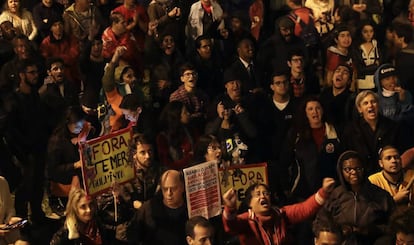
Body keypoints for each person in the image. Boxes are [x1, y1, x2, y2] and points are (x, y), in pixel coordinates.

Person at [221, 177, 335, 245]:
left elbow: (304, 209)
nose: (263, 197)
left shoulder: (281, 214)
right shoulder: (246, 220)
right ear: (249, 203)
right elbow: (230, 226)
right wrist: (230, 208)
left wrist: (324, 192)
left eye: (266, 193)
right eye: (258, 194)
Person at [314, 150, 395, 244]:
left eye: (358, 168)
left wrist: (370, 230)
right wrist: (338, 229)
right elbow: (320, 221)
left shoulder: (380, 195)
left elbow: (394, 225)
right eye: (348, 169)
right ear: (341, 171)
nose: (354, 172)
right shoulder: (335, 195)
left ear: (364, 169)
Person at [281, 96, 342, 201]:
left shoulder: (335, 132)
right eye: (310, 109)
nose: (315, 112)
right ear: (305, 113)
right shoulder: (296, 134)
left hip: (332, 191)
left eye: (318, 108)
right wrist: (286, 186)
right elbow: (285, 161)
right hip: (303, 192)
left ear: (323, 110)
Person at [342, 90, 407, 175]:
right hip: (362, 177)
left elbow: (403, 152)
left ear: (378, 105)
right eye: (365, 103)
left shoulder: (392, 126)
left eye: (373, 102)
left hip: (389, 175)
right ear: (359, 109)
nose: (370, 105)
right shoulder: (351, 130)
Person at [46, 106, 89, 215]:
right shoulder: (57, 142)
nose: (80, 128)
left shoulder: (83, 131)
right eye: (77, 125)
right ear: (67, 123)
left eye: (82, 124)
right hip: (65, 180)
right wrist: (75, 165)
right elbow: (52, 170)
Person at [127, 169, 188, 245]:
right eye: (165, 189)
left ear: (182, 187)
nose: (169, 193)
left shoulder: (191, 208)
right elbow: (133, 236)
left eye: (173, 188)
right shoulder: (149, 209)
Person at [156, 101, 198, 170]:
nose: (188, 113)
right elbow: (167, 165)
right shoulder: (162, 138)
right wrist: (189, 157)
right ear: (176, 116)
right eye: (185, 112)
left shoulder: (190, 129)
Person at [169, 63, 209, 130]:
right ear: (182, 78)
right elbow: (176, 118)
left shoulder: (202, 94)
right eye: (188, 74)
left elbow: (207, 113)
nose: (192, 77)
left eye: (194, 74)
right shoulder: (176, 96)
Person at [319, 63, 353, 134]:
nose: (340, 74)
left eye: (345, 73)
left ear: (349, 81)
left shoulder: (352, 99)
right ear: (332, 77)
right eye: (337, 71)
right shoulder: (324, 95)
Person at [352, 20, 381, 91]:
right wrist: (374, 66)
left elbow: (380, 65)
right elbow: (360, 69)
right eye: (365, 32)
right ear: (360, 32)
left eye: (371, 31)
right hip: (362, 84)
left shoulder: (376, 45)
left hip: (376, 83)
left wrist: (370, 67)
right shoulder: (357, 47)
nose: (369, 34)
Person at [0, 176, 28, 245]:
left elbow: (10, 208)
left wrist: (9, 221)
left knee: (22, 243)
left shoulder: (2, 182)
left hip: (4, 230)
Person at [325, 24, 353, 89]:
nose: (346, 39)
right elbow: (329, 79)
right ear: (336, 39)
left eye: (348, 35)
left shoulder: (351, 52)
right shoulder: (333, 55)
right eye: (342, 36)